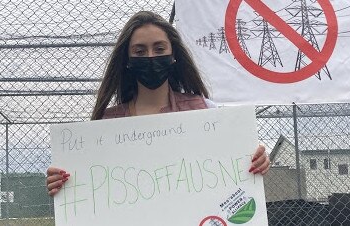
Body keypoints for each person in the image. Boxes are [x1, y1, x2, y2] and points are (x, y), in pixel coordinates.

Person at [46, 11, 270, 196]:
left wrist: (255, 160)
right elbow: (90, 191)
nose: (151, 57)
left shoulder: (204, 111)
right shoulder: (105, 125)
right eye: (140, 51)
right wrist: (65, 183)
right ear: (127, 60)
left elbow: (231, 169)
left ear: (174, 55)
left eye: (159, 48)